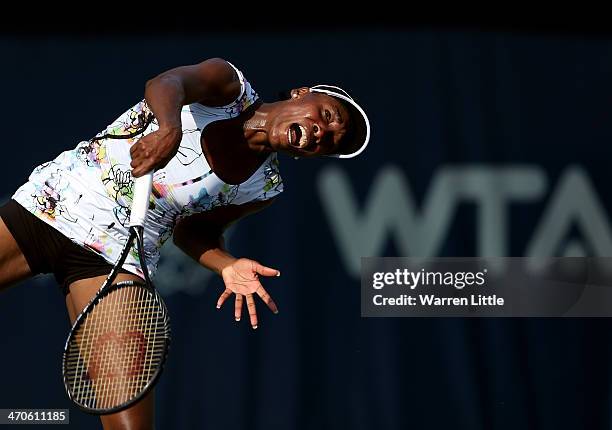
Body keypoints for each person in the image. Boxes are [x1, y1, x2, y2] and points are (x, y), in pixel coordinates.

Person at [0, 57, 370, 429]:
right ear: (301, 94)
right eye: (326, 115)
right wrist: (169, 129)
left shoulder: (264, 187)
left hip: (118, 260)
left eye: (330, 142)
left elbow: (193, 234)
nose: (322, 132)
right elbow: (167, 82)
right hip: (51, 205)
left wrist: (227, 264)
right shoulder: (230, 87)